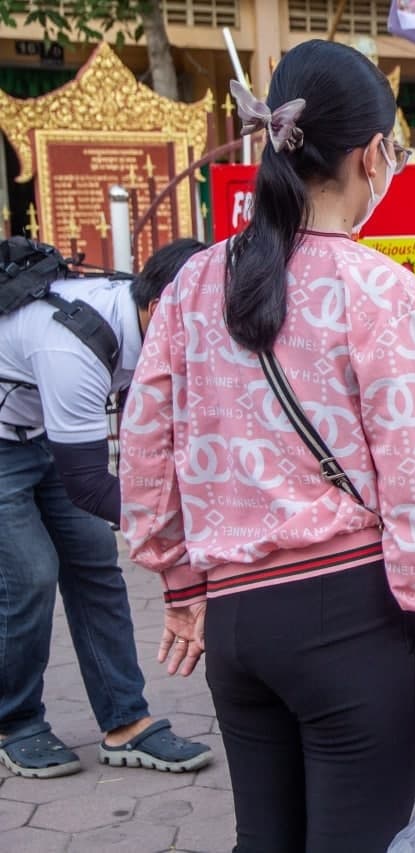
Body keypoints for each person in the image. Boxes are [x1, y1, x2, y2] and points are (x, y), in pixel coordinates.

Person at [119, 39, 415, 853]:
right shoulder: (380, 291)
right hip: (351, 621)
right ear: (372, 154)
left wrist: (178, 575)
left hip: (236, 626)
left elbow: (144, 446)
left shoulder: (194, 283)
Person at [0, 238, 212, 780]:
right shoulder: (73, 349)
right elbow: (91, 487)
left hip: (43, 430)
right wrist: (181, 533)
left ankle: (125, 721)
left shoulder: (142, 323)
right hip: (6, 442)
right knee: (30, 573)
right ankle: (14, 722)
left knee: (95, 561)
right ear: (161, 308)